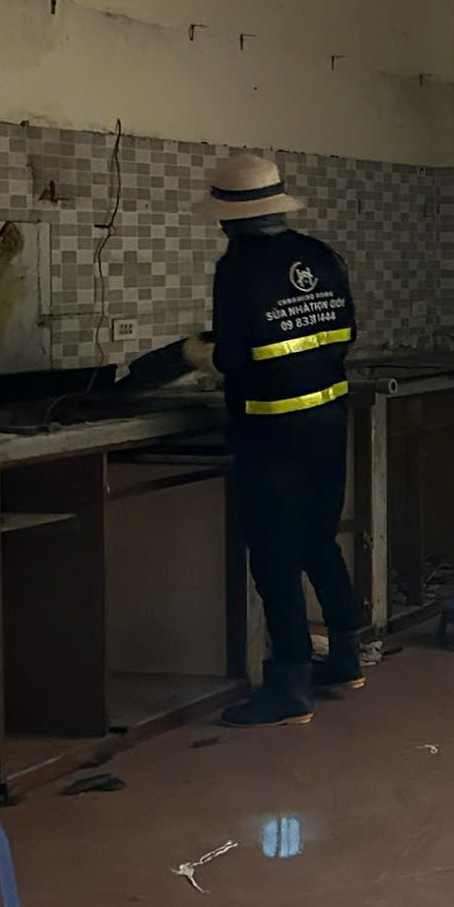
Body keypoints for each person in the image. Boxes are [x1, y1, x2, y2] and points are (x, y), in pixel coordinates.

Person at [197, 151, 364, 727]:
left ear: (231, 218)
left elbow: (234, 356)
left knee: (273, 556)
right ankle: (345, 658)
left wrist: (202, 355)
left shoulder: (237, 268)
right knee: (319, 541)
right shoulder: (321, 255)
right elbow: (345, 333)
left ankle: (290, 687)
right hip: (328, 418)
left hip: (270, 430)